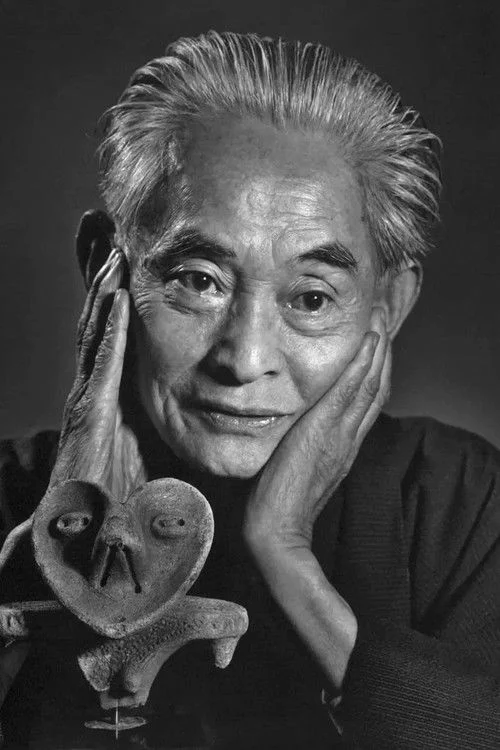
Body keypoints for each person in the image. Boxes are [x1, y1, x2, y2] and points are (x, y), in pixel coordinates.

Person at [1, 30, 499, 749]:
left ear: (386, 306)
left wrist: (284, 552)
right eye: (198, 281)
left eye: (312, 298)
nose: (245, 359)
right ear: (106, 268)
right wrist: (54, 548)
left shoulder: (460, 505)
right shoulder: (7, 495)